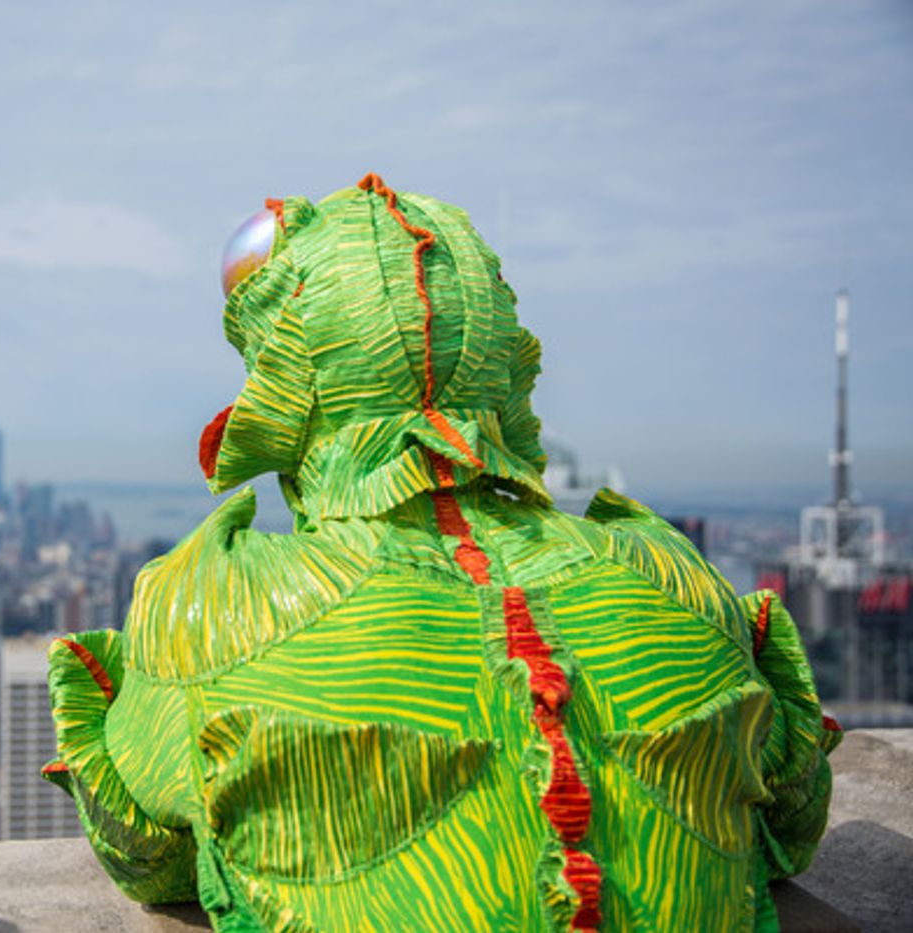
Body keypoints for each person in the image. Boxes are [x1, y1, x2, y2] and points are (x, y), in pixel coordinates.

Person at [44, 174, 841, 932]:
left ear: (283, 378)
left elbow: (147, 853)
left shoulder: (220, 604)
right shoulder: (668, 575)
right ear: (502, 359)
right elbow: (791, 821)